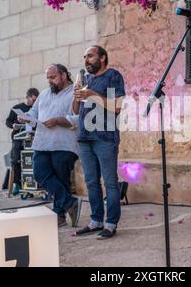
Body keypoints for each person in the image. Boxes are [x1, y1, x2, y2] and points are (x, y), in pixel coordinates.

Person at [72, 45, 126, 240]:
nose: (86, 60)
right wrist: (77, 95)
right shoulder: (87, 80)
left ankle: (111, 224)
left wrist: (92, 95)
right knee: (91, 182)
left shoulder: (112, 76)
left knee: (110, 183)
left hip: (105, 138)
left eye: (90, 56)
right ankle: (96, 221)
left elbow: (118, 107)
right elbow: (77, 110)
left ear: (102, 58)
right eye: (84, 57)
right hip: (84, 137)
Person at [20, 64, 82, 227]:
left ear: (63, 75)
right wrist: (26, 116)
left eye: (53, 77)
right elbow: (34, 112)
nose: (50, 81)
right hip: (42, 142)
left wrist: (58, 120)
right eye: (48, 78)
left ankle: (59, 216)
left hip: (64, 143)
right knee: (40, 174)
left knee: (61, 179)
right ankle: (69, 203)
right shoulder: (44, 94)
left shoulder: (75, 93)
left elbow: (79, 118)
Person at [4, 88, 39, 194]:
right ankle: (17, 183)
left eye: (36, 100)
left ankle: (34, 184)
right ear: (27, 97)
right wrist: (13, 125)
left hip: (32, 138)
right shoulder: (17, 108)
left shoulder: (36, 109)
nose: (34, 102)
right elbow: (8, 122)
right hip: (18, 137)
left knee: (33, 161)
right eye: (33, 100)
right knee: (15, 160)